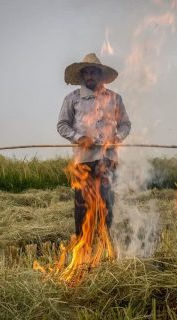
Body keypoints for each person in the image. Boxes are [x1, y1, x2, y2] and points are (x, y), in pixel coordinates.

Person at [57, 53, 131, 238]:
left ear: (100, 75)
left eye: (94, 72)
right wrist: (79, 138)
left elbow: (125, 125)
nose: (90, 75)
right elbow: (62, 125)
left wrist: (117, 138)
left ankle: (106, 243)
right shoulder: (72, 98)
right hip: (84, 160)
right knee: (82, 204)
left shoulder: (115, 98)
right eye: (86, 72)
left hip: (109, 159)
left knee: (107, 203)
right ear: (82, 75)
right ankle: (83, 246)